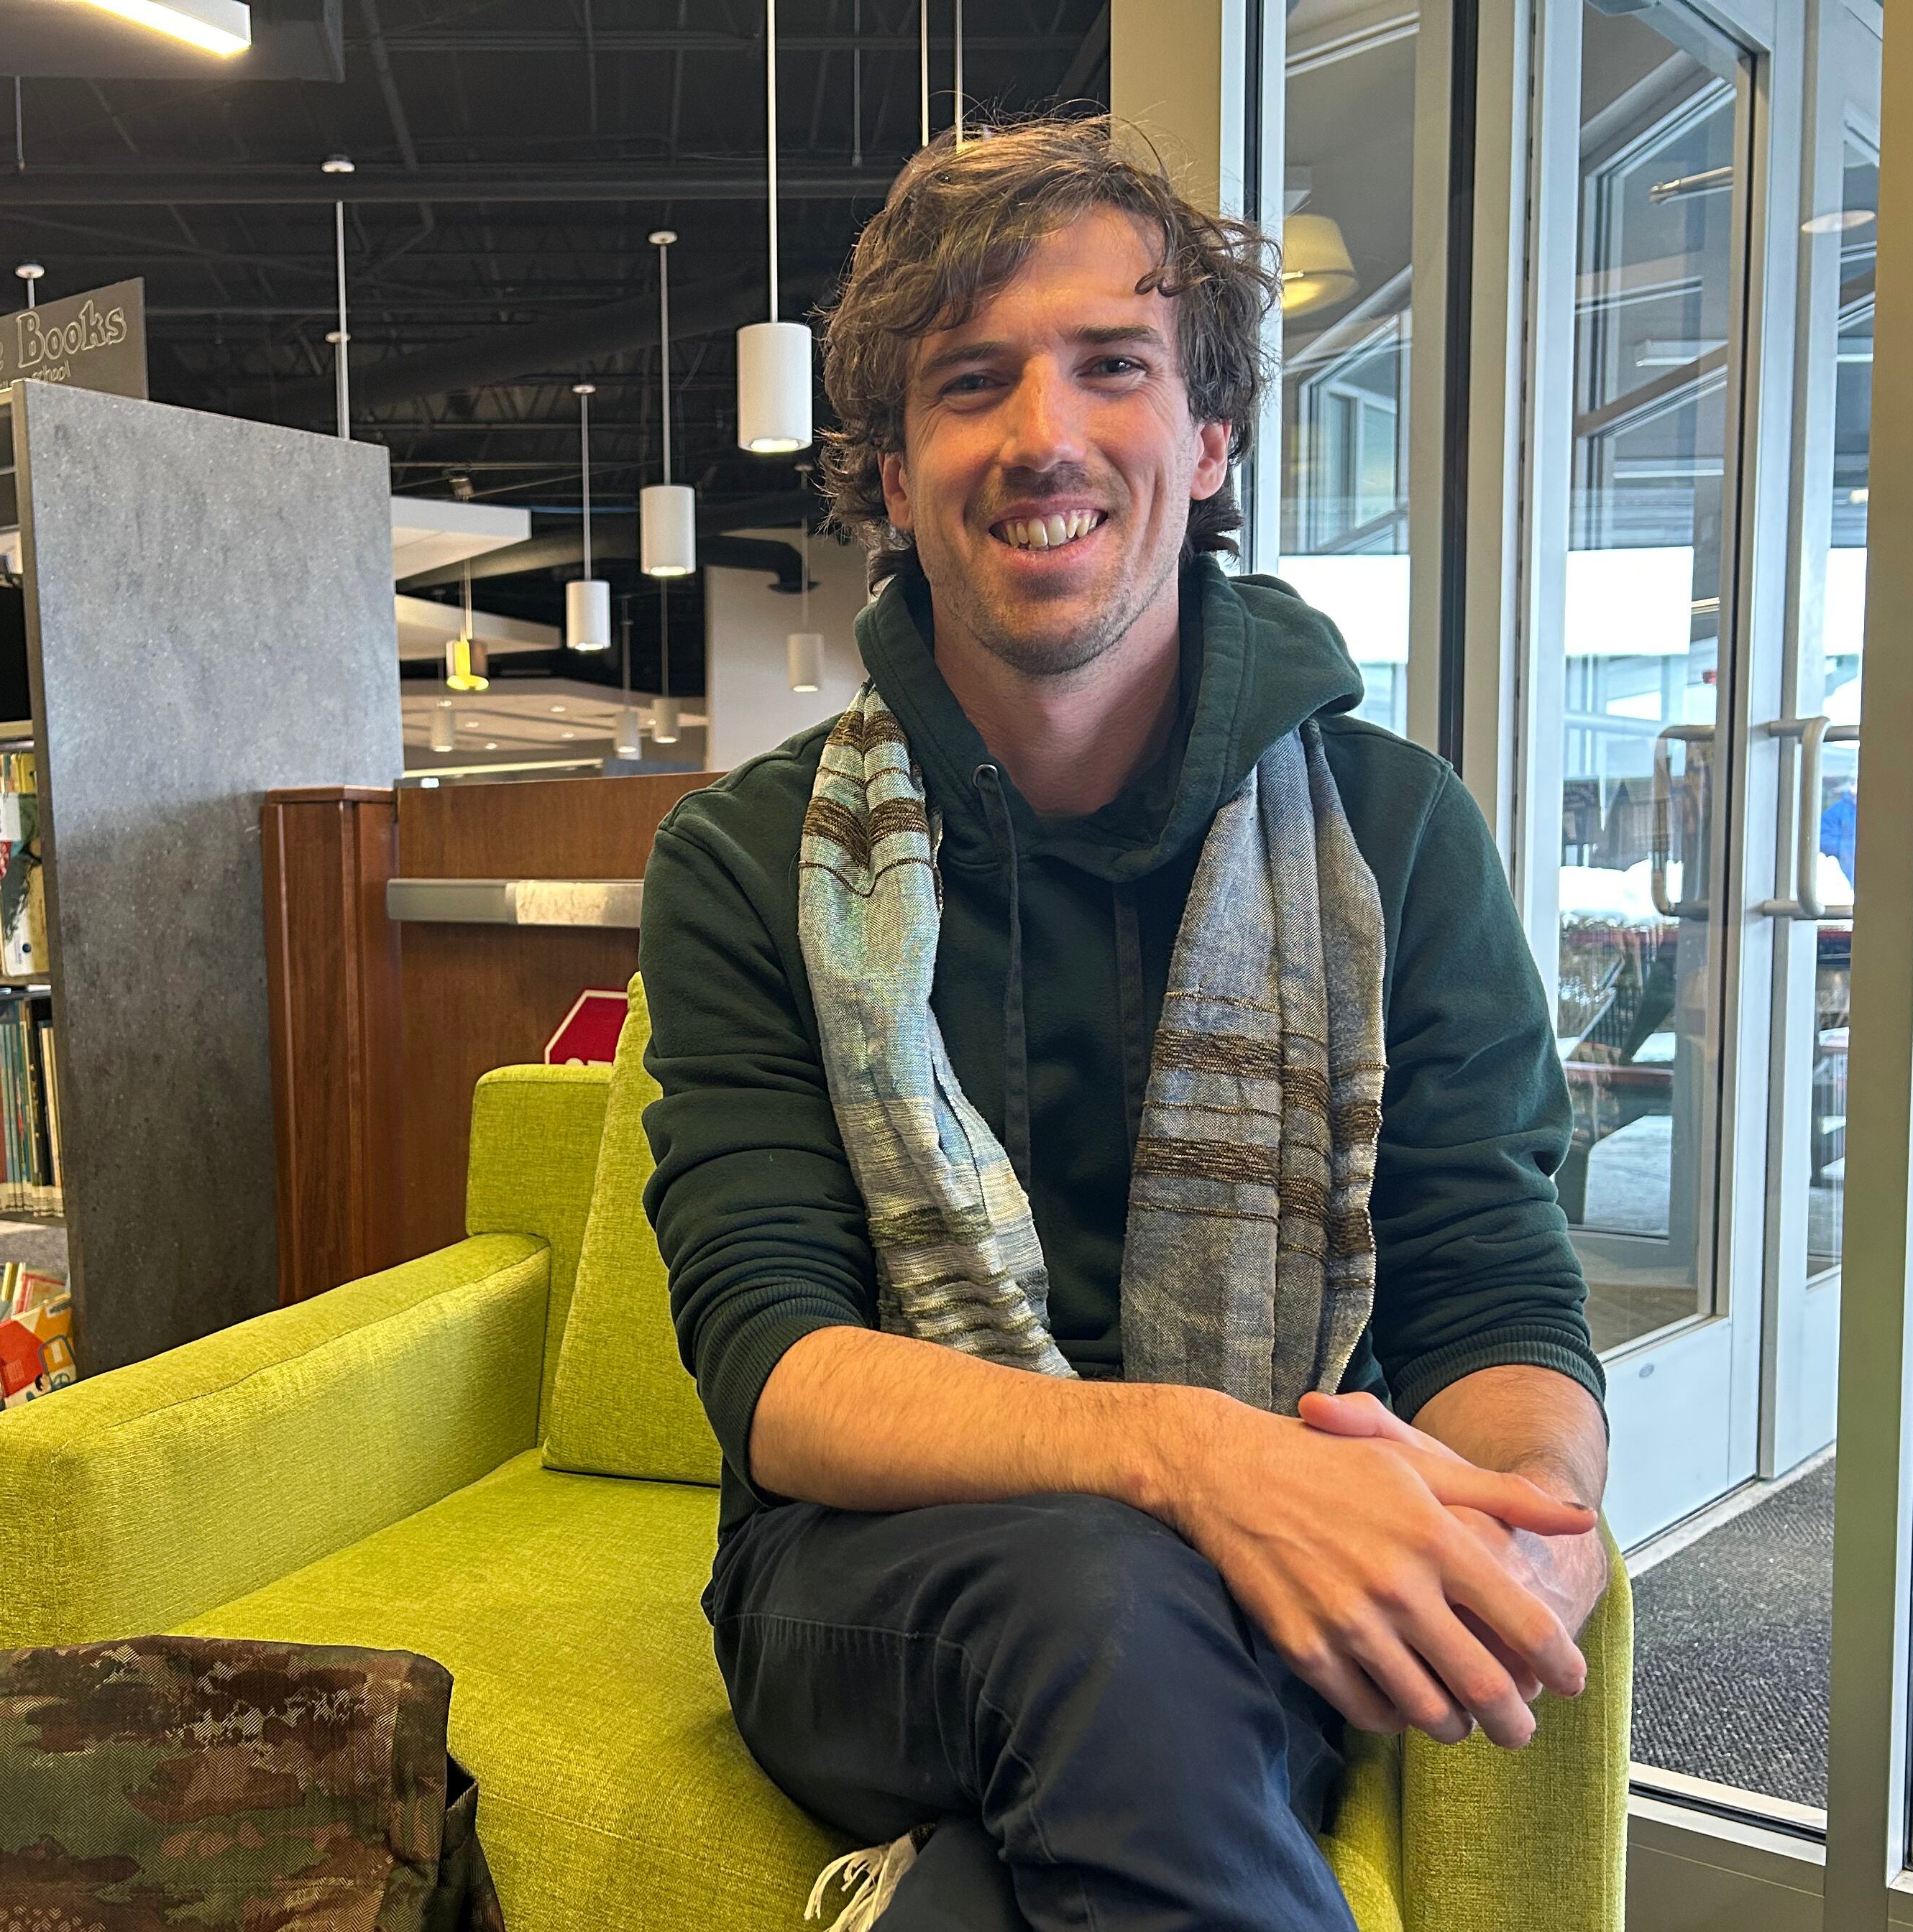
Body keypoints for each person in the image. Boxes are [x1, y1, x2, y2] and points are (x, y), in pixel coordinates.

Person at [638, 118, 1610, 1932]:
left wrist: (1529, 1517)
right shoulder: (749, 858)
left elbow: (1490, 1285)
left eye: (1114, 367)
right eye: (970, 382)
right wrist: (1196, 1460)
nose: (1044, 438)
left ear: (1210, 436)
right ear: (895, 471)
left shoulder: (1397, 835)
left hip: (1263, 1589)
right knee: (1106, 1596)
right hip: (863, 1592)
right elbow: (774, 1371)